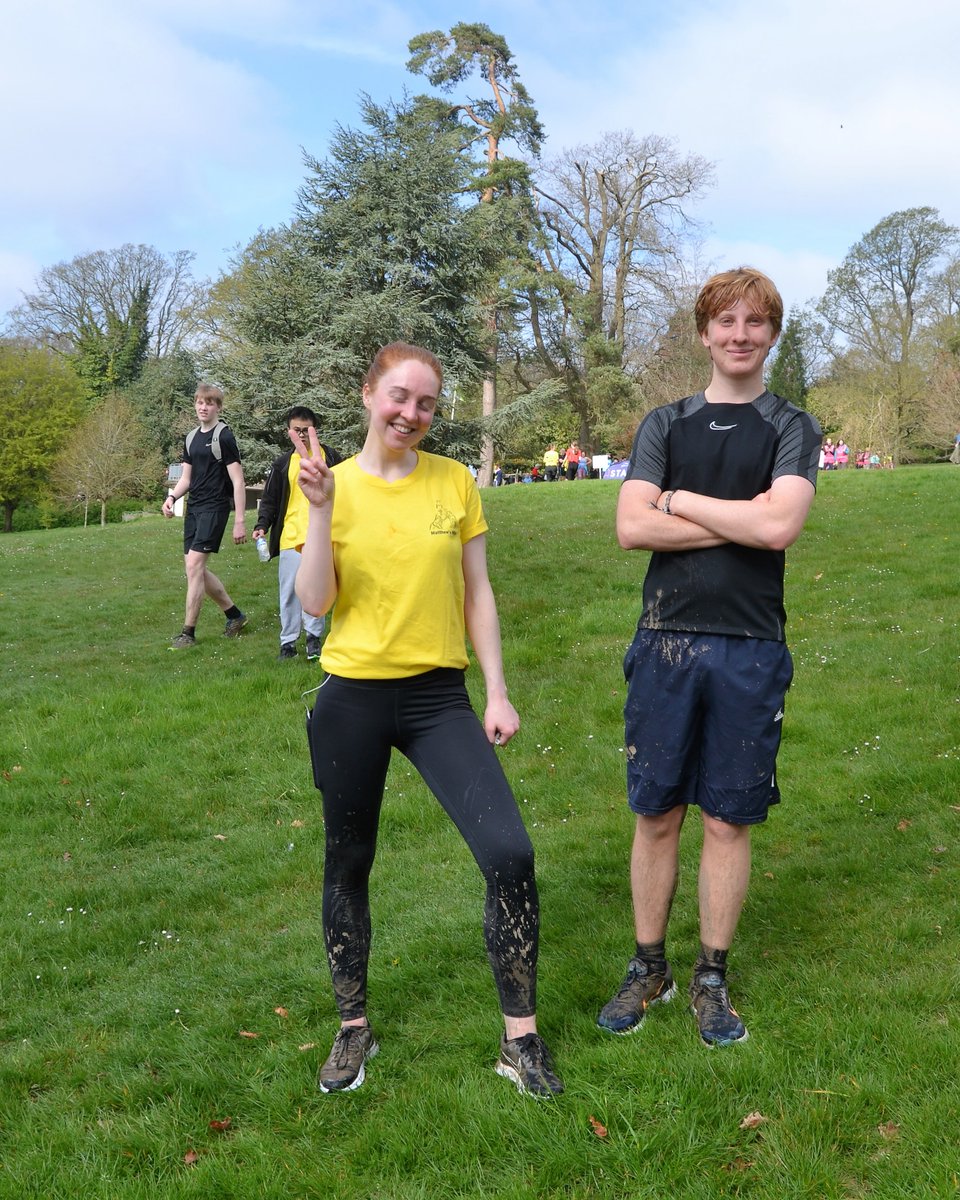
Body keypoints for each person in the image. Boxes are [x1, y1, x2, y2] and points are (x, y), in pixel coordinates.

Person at [292, 342, 563, 1098]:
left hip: (439, 698)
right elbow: (315, 603)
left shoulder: (453, 482)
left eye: (427, 403)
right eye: (399, 397)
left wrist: (498, 690)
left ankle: (522, 1040)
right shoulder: (324, 483)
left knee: (509, 852)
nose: (411, 414)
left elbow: (478, 591)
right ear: (368, 394)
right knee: (348, 860)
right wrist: (318, 511)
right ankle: (353, 1028)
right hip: (353, 697)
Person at [597, 268, 821, 1048]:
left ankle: (711, 979)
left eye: (756, 323)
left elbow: (780, 528)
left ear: (772, 334)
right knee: (656, 812)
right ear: (703, 332)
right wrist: (740, 516)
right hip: (666, 638)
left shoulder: (791, 426)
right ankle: (647, 966)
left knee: (728, 819)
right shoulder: (665, 424)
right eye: (725, 321)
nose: (739, 335)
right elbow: (631, 529)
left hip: (752, 645)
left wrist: (677, 501)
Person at [252, 407, 342, 660]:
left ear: (315, 430)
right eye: (296, 431)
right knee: (290, 591)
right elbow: (270, 499)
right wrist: (261, 525)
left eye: (306, 430)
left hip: (322, 537)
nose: (301, 436)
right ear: (288, 432)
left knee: (318, 588)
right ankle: (288, 643)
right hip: (290, 536)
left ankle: (314, 640)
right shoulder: (282, 464)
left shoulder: (333, 459)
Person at [163, 384, 249, 648]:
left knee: (194, 567)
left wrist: (240, 521)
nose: (203, 407)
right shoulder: (191, 438)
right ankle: (234, 615)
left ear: (218, 408)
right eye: (200, 402)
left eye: (209, 403)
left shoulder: (224, 437)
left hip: (215, 508)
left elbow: (238, 481)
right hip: (194, 508)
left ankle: (188, 633)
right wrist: (172, 497)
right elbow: (186, 478)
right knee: (194, 569)